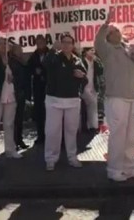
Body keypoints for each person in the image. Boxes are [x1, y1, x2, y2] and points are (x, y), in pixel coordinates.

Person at [95, 15, 134, 182]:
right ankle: (114, 170)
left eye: (118, 30)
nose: (117, 33)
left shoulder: (127, 49)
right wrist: (105, 24)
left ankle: (129, 168)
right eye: (113, 31)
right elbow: (98, 42)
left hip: (132, 97)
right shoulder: (107, 50)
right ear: (109, 36)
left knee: (131, 136)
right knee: (118, 135)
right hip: (116, 98)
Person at [40, 34, 88, 171]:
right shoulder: (54, 57)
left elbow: (85, 80)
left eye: (69, 42)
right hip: (54, 99)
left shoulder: (77, 60)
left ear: (73, 45)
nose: (66, 45)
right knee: (52, 131)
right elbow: (45, 64)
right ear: (61, 44)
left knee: (71, 131)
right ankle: (50, 159)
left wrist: (81, 77)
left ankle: (72, 157)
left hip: (72, 100)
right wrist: (51, 50)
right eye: (64, 42)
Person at [9, 43, 31, 150]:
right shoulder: (12, 62)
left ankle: (19, 139)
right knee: (14, 118)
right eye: (18, 50)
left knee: (19, 118)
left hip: (21, 92)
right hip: (16, 92)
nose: (20, 52)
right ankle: (14, 141)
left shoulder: (21, 61)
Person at [28, 35, 49, 145]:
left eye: (42, 42)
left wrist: (43, 72)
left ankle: (50, 136)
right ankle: (40, 136)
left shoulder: (50, 54)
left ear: (45, 43)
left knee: (49, 113)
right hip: (38, 88)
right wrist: (34, 71)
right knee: (39, 112)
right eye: (38, 43)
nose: (40, 45)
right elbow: (29, 69)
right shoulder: (34, 56)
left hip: (49, 87)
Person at [81, 47, 104, 133]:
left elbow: (101, 70)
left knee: (94, 107)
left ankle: (93, 126)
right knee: (90, 105)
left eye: (93, 50)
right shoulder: (82, 61)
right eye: (90, 50)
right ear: (86, 52)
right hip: (84, 87)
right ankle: (87, 126)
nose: (92, 52)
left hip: (93, 86)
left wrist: (97, 60)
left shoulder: (95, 62)